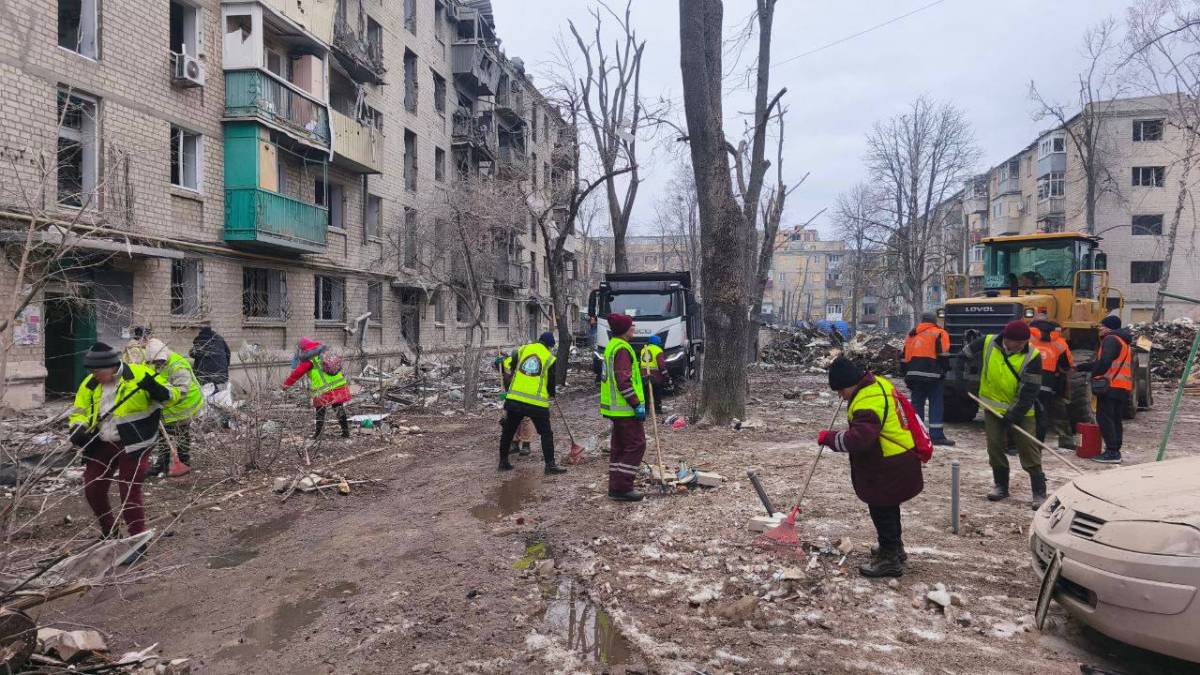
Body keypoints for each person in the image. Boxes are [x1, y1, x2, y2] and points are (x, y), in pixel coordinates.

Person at [67, 342, 178, 564]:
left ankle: (138, 543)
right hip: (102, 442)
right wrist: (77, 429)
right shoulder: (90, 384)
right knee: (93, 487)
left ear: (111, 366)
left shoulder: (139, 375)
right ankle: (110, 532)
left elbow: (172, 396)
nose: (94, 375)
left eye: (97, 371)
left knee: (129, 491)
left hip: (136, 442)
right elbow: (79, 411)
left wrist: (156, 389)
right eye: (91, 371)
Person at [817, 356, 923, 578]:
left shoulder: (867, 403)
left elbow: (859, 440)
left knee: (882, 509)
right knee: (889, 507)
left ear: (849, 383)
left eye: (840, 390)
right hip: (899, 458)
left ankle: (889, 560)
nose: (840, 395)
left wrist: (830, 438)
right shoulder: (877, 384)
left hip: (887, 465)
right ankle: (895, 548)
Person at [961, 320, 1046, 509]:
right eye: (1019, 342)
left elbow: (1030, 390)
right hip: (992, 408)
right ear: (1007, 339)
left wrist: (1014, 414)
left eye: (1024, 342)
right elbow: (964, 355)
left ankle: (1039, 492)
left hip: (1022, 411)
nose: (1022, 345)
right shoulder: (987, 342)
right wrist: (961, 378)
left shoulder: (1032, 356)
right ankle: (1001, 485)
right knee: (995, 447)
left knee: (1028, 449)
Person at [497, 332, 568, 475]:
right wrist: (552, 393)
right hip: (536, 403)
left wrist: (502, 364)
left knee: (508, 431)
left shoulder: (524, 349)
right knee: (546, 433)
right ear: (549, 346)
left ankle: (503, 462)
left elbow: (508, 364)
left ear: (539, 340)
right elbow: (551, 381)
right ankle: (550, 465)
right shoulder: (549, 358)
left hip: (515, 399)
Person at [601, 313, 646, 502]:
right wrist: (636, 404)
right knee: (637, 444)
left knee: (619, 447)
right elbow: (623, 381)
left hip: (615, 409)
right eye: (631, 326)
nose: (634, 328)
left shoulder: (612, 346)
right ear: (624, 330)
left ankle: (616, 486)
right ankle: (623, 487)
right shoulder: (622, 349)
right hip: (625, 409)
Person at [145, 338, 205, 476]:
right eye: (154, 362)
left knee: (181, 432)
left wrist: (161, 399)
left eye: (159, 362)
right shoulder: (149, 363)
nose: (157, 365)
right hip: (166, 403)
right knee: (163, 434)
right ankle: (162, 464)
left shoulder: (178, 366)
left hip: (185, 402)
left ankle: (184, 461)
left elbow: (181, 392)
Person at [901, 312, 954, 446]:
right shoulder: (940, 333)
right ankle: (936, 436)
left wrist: (906, 376)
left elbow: (903, 357)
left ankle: (917, 435)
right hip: (933, 375)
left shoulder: (911, 334)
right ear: (934, 321)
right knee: (935, 404)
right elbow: (943, 354)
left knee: (917, 404)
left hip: (914, 375)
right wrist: (945, 370)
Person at [282, 337, 351, 439]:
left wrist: (286, 385)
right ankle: (346, 432)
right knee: (338, 409)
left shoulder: (308, 360)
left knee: (320, 411)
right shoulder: (325, 353)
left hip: (323, 389)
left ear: (303, 349)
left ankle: (318, 435)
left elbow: (297, 373)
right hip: (339, 385)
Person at [1092, 315, 1133, 464]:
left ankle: (1111, 452)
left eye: (1102, 326)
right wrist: (1083, 367)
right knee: (1115, 419)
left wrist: (1095, 374)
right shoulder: (1123, 341)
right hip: (1122, 386)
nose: (1100, 328)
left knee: (1105, 418)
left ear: (1109, 327)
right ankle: (1115, 450)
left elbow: (1105, 361)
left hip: (1110, 385)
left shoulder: (1110, 339)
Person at [1029, 317, 1075, 450]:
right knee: (1047, 413)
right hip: (1049, 384)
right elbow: (1067, 365)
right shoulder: (1060, 343)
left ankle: (1013, 444)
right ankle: (1059, 441)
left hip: (1026, 382)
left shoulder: (1026, 338)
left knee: (1022, 412)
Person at [495, 351, 536, 456]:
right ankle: (514, 443)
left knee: (525, 419)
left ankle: (526, 445)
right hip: (511, 397)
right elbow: (503, 372)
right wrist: (498, 363)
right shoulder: (507, 364)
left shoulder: (526, 368)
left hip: (525, 396)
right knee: (511, 419)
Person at [191, 326, 231, 414]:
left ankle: (209, 415)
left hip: (205, 377)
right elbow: (228, 353)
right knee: (222, 398)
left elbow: (192, 354)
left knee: (206, 399)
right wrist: (225, 367)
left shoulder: (199, 340)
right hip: (221, 375)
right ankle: (223, 413)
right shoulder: (219, 339)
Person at [639, 335, 671, 416]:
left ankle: (646, 410)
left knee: (646, 393)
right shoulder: (658, 350)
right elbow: (661, 365)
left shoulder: (643, 350)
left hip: (644, 375)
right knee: (657, 393)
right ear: (658, 342)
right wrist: (666, 376)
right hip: (655, 376)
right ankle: (657, 410)